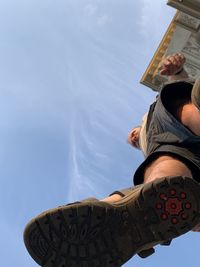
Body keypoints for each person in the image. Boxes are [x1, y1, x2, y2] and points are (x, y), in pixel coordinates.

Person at [23, 54, 200, 267]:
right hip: (179, 153)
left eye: (134, 134)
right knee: (167, 177)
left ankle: (118, 207)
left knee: (175, 136)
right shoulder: (154, 148)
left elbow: (179, 82)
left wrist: (176, 71)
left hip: (169, 128)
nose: (133, 137)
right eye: (134, 138)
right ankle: (130, 211)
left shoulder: (153, 120)